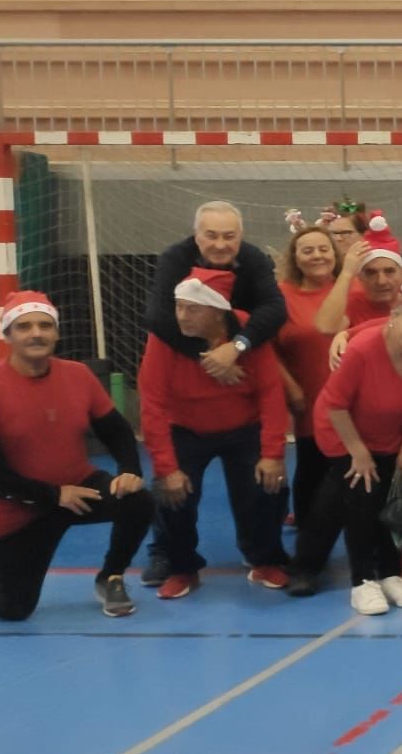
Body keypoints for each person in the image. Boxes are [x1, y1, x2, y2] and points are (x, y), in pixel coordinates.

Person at [0, 293, 152, 620]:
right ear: (8, 335)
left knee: (138, 501)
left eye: (45, 325)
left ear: (57, 333)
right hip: (19, 509)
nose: (36, 333)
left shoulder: (78, 376)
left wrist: (129, 469)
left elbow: (116, 430)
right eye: (24, 326)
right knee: (13, 608)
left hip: (79, 489)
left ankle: (111, 576)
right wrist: (52, 495)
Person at [137, 268, 292, 598]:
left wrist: (272, 454)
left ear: (217, 310)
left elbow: (270, 393)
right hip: (187, 428)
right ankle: (182, 567)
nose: (181, 316)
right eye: (178, 306)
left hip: (244, 426)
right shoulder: (165, 336)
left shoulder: (247, 330)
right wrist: (167, 467)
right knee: (172, 493)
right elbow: (152, 403)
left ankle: (264, 558)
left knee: (270, 486)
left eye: (192, 308)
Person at [294, 293, 402, 611]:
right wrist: (358, 452)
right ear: (392, 320)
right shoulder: (363, 349)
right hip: (341, 431)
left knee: (376, 500)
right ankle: (363, 580)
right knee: (363, 493)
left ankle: (381, 573)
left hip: (388, 434)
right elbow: (335, 405)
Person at [145, 201, 289, 387]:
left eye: (229, 237)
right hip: (185, 359)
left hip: (246, 358)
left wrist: (236, 347)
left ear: (240, 237)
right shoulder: (175, 259)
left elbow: (275, 308)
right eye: (211, 236)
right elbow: (157, 316)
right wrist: (209, 357)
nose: (220, 245)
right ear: (196, 235)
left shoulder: (254, 258)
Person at [274, 222, 352, 534]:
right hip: (309, 398)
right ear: (296, 258)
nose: (317, 255)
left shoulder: (353, 288)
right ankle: (309, 536)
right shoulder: (282, 296)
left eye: (323, 249)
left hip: (354, 403)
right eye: (308, 250)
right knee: (311, 469)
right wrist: (290, 387)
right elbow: (268, 350)